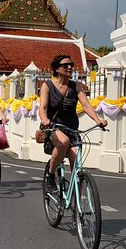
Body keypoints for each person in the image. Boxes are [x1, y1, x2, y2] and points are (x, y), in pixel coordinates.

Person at [38, 55, 107, 193]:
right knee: (63, 142)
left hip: (71, 129)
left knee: (77, 165)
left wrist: (98, 120)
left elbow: (86, 106)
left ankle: (76, 200)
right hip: (53, 127)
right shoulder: (47, 86)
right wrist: (45, 119)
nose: (69, 67)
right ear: (57, 69)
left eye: (71, 65)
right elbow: (43, 107)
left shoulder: (76, 86)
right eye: (65, 65)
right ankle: (50, 176)